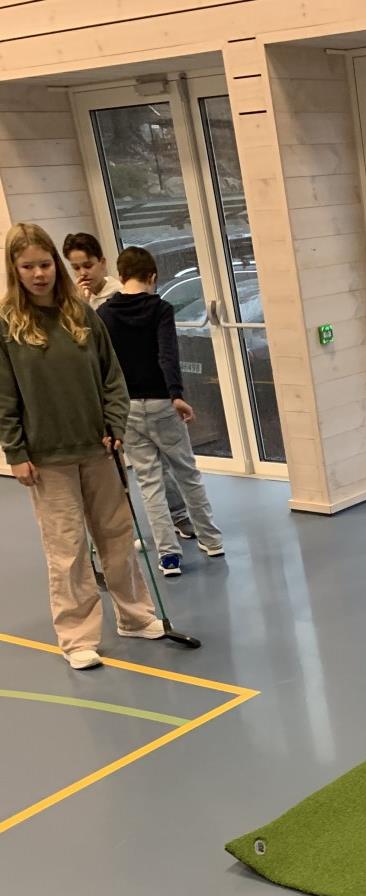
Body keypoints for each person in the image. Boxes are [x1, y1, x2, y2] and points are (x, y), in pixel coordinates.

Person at [0, 222, 164, 669]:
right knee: (67, 548)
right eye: (28, 267)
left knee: (117, 536)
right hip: (47, 458)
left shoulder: (81, 313)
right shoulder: (7, 325)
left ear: (56, 264)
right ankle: (77, 637)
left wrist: (116, 424)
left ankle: (135, 616)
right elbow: (4, 396)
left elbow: (112, 376)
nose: (39, 274)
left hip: (99, 448)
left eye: (45, 264)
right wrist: (15, 452)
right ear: (15, 269)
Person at [63, 230, 195, 546]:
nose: (82, 273)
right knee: (118, 471)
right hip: (99, 396)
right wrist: (79, 309)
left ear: (102, 263)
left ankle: (178, 516)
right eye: (76, 267)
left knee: (152, 465)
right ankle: (126, 529)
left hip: (132, 395)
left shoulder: (119, 296)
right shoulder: (77, 301)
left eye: (87, 265)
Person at [98, 245, 223, 577]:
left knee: (150, 482)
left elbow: (104, 367)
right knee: (187, 473)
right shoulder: (161, 309)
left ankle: (169, 557)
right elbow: (167, 355)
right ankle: (211, 540)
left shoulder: (104, 314)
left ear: (120, 276)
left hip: (127, 409)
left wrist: (108, 413)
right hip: (162, 404)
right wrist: (176, 395)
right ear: (152, 276)